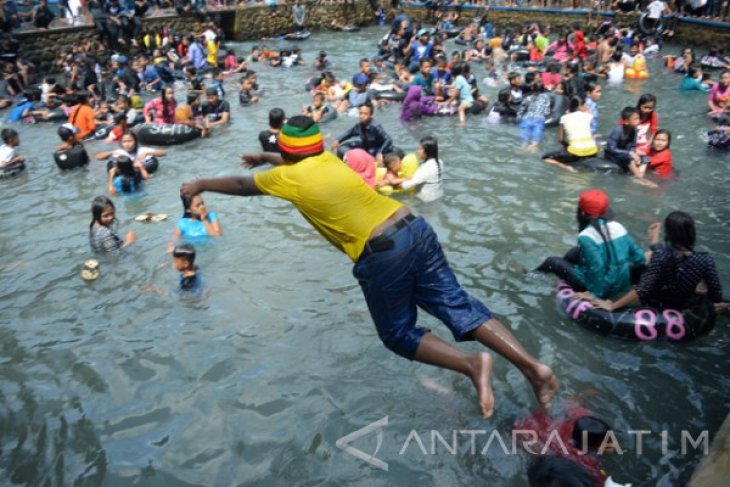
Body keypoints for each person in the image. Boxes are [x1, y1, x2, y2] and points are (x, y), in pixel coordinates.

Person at [180, 115, 558, 418]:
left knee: (398, 333)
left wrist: (200, 183)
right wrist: (265, 157)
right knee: (457, 305)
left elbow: (244, 185)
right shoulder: (326, 158)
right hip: (414, 226)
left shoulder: (287, 177)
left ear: (287, 154)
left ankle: (472, 365)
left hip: (382, 251)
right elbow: (293, 161)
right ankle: (533, 368)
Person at [592, 211, 728, 314]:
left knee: (644, 260)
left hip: (655, 305)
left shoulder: (661, 256)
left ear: (668, 234)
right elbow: (716, 295)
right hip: (681, 307)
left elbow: (643, 288)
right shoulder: (705, 260)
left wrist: (612, 306)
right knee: (699, 285)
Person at [536, 189, 646, 300]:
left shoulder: (586, 236)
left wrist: (594, 296)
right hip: (623, 280)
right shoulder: (618, 226)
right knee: (574, 253)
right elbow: (639, 257)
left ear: (582, 213)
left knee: (552, 262)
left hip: (602, 287)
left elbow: (598, 267)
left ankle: (528, 276)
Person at [542, 97, 599, 173]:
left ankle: (566, 167)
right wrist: (585, 109)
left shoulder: (564, 118)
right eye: (585, 105)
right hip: (593, 151)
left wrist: (567, 145)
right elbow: (589, 113)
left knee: (545, 158)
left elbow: (561, 140)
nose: (586, 106)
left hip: (576, 152)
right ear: (581, 106)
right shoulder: (588, 116)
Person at [398, 136, 444, 202]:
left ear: (426, 151)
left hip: (424, 200)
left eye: (419, 149)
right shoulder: (440, 162)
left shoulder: (426, 168)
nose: (417, 151)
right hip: (437, 195)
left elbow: (405, 186)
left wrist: (390, 181)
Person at [517, 82, 552, 153]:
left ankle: (522, 155)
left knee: (524, 143)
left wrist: (519, 118)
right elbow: (547, 112)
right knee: (535, 144)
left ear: (533, 89)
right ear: (543, 90)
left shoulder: (528, 98)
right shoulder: (546, 98)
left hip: (526, 119)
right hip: (538, 120)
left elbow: (521, 110)